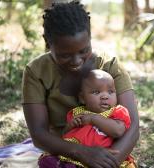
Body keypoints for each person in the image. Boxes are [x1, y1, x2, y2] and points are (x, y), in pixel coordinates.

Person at [22, 1, 139, 168]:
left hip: (110, 152)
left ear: (90, 37)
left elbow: (133, 128)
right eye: (64, 55)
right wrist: (82, 153)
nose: (76, 62)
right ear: (48, 43)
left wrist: (108, 163)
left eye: (84, 51)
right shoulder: (36, 72)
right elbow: (39, 134)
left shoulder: (110, 67)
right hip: (64, 151)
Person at [59, 69, 135, 167]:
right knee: (48, 160)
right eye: (96, 92)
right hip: (78, 156)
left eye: (110, 92)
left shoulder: (116, 112)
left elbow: (118, 131)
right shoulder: (78, 112)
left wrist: (93, 119)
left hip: (102, 158)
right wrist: (70, 126)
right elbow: (65, 135)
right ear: (82, 98)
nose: (105, 96)